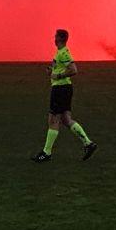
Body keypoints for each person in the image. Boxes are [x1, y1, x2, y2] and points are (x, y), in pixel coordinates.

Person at [31, 29, 97, 162]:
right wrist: (52, 71)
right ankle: (88, 144)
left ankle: (46, 153)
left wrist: (58, 75)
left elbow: (73, 69)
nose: (53, 39)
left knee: (53, 120)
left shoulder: (63, 53)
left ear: (60, 39)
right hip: (64, 88)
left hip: (60, 89)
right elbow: (62, 68)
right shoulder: (60, 52)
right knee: (66, 119)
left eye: (55, 36)